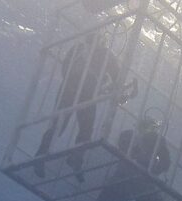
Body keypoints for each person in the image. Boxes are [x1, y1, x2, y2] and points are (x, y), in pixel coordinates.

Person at [34, 32, 126, 181]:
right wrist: (114, 91)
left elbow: (65, 68)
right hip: (87, 93)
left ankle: (41, 155)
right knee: (86, 128)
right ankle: (76, 158)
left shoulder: (78, 48)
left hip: (68, 89)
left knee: (57, 124)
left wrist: (74, 82)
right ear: (104, 40)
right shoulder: (108, 55)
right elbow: (117, 77)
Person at [91, 117, 170, 201]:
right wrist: (152, 169)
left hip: (134, 178)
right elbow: (165, 163)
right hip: (134, 178)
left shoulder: (155, 140)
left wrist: (151, 169)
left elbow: (165, 162)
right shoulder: (132, 136)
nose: (146, 130)